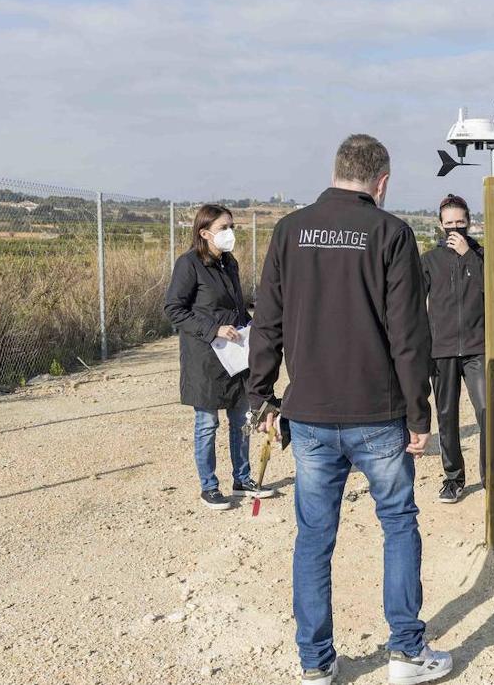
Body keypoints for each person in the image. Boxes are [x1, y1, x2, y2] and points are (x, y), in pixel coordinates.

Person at [247, 135, 453, 685]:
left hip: (310, 413)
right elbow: (410, 332)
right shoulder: (390, 231)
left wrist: (261, 393)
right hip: (378, 413)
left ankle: (316, 664)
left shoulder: (290, 231)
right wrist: (419, 412)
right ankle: (406, 654)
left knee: (315, 536)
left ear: (336, 170)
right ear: (380, 182)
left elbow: (267, 317)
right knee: (398, 525)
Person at [421, 194, 494, 514]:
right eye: (449, 224)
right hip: (441, 351)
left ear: (470, 222)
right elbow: (412, 303)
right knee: (447, 416)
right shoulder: (429, 261)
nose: (455, 229)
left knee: (489, 414)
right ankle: (453, 478)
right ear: (440, 225)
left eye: (461, 223)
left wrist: (469, 256)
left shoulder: (483, 257)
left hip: (478, 349)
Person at [164, 204, 271, 511]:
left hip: (235, 357)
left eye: (232, 227)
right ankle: (209, 487)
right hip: (205, 357)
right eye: (224, 228)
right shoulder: (189, 265)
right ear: (204, 233)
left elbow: (236, 306)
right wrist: (213, 329)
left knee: (241, 420)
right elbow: (174, 309)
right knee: (207, 423)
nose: (230, 234)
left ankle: (243, 479)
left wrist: (250, 326)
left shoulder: (229, 263)